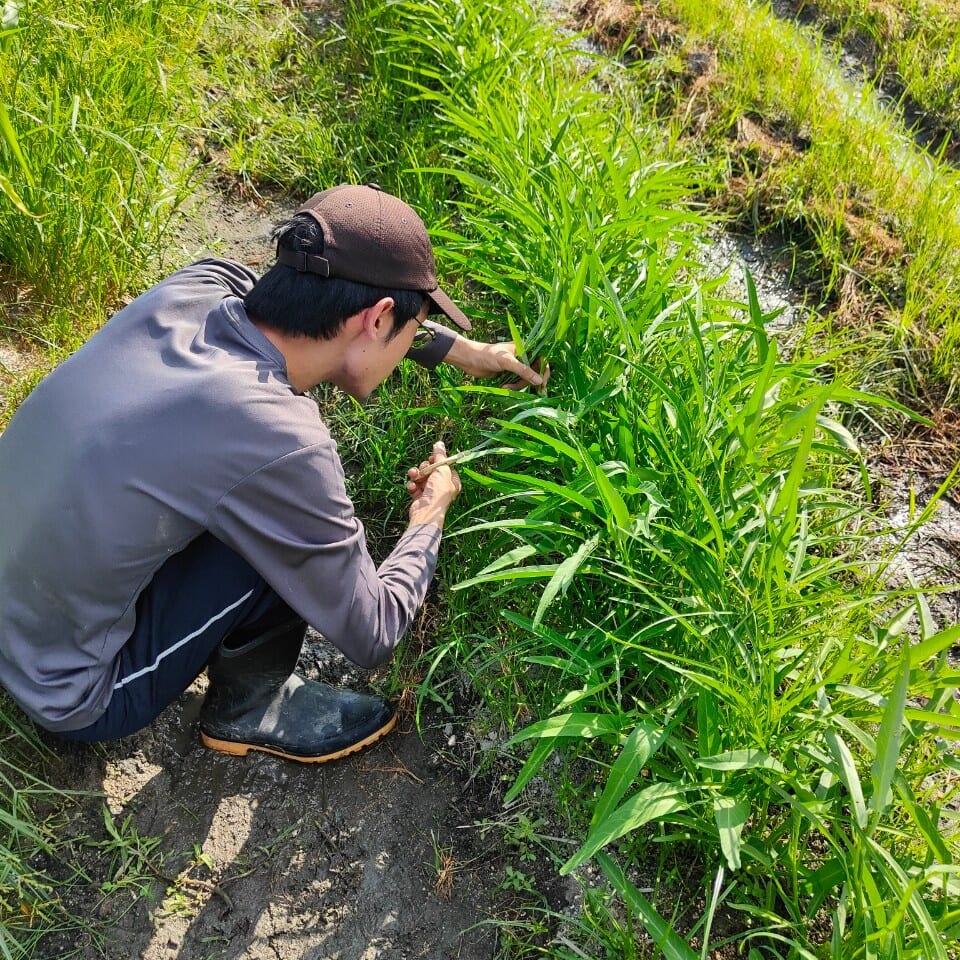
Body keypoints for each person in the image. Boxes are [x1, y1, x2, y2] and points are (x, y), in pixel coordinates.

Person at [0, 183, 544, 763]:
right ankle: (248, 705)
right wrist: (429, 516)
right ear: (379, 318)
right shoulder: (278, 440)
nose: (412, 336)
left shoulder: (202, 285)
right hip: (65, 685)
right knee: (281, 530)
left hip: (21, 590)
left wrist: (465, 351)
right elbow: (374, 630)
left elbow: (342, 314)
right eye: (412, 325)